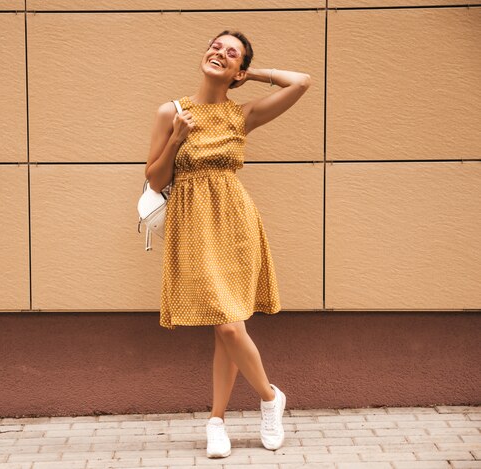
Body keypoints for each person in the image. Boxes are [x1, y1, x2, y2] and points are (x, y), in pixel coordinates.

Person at [144, 30, 311, 458]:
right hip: (193, 224)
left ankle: (219, 420)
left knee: (228, 326)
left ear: (238, 71)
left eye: (231, 53)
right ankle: (269, 398)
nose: (219, 53)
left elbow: (302, 82)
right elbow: (155, 178)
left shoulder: (243, 115)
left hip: (235, 223)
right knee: (226, 325)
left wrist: (254, 76)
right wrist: (178, 137)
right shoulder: (171, 112)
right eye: (216, 47)